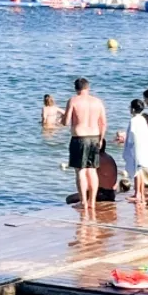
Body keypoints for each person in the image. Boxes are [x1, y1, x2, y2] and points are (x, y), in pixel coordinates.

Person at [62, 77, 108, 210]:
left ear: (76, 89)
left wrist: (62, 119)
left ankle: (83, 202)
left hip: (79, 138)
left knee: (80, 171)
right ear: (88, 88)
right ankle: (92, 202)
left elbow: (65, 122)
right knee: (92, 170)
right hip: (94, 137)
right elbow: (103, 123)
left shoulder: (73, 100)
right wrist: (100, 139)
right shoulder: (97, 102)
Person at [123, 99, 148, 202]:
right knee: (139, 171)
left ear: (133, 109)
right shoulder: (143, 119)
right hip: (144, 148)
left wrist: (128, 147)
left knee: (137, 172)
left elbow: (132, 136)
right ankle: (140, 193)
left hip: (137, 149)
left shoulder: (134, 120)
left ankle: (138, 194)